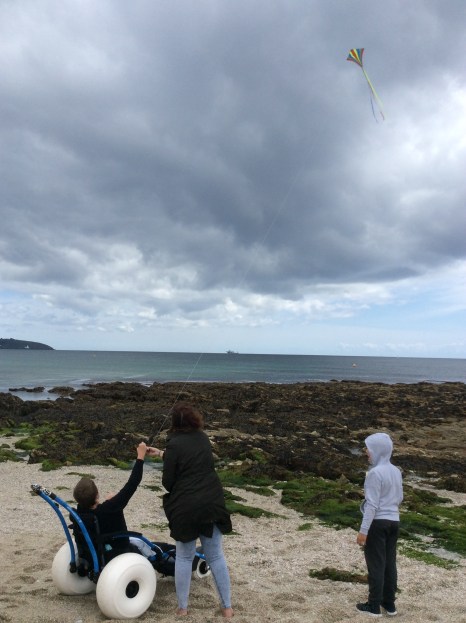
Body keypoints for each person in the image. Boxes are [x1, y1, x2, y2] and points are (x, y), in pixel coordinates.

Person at [148, 402, 233, 618]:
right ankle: (227, 609)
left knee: (185, 557)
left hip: (186, 506)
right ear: (194, 420)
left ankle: (183, 609)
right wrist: (161, 453)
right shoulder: (203, 439)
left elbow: (168, 483)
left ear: (175, 423)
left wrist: (167, 456)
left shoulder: (175, 444)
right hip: (211, 502)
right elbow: (190, 457)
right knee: (215, 556)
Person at [73, 441, 149, 559]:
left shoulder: (79, 513)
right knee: (153, 548)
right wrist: (140, 456)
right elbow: (132, 484)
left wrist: (109, 502)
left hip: (100, 551)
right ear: (97, 496)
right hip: (119, 552)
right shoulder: (110, 508)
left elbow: (97, 510)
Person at [356, 432, 403, 618]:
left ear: (377, 450)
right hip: (394, 522)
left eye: (368, 448)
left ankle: (373, 606)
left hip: (378, 523)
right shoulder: (396, 471)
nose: (366, 451)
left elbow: (372, 505)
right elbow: (400, 498)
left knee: (376, 565)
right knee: (389, 564)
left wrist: (363, 531)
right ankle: (390, 605)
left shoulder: (374, 473)